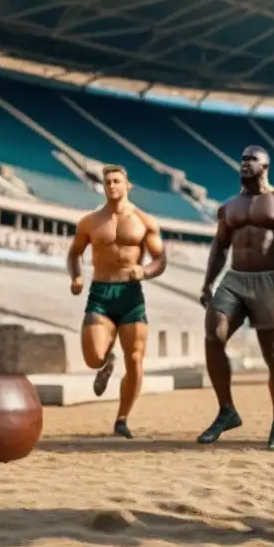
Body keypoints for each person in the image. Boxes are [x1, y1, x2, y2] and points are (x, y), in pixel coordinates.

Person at [197, 145, 274, 450]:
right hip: (234, 280)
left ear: (266, 167)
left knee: (272, 356)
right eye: (242, 159)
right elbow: (220, 247)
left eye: (252, 160)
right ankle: (226, 411)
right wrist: (208, 284)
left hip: (267, 281)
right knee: (213, 334)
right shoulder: (230, 206)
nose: (245, 163)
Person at [68, 164, 167, 438]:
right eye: (107, 181)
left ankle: (122, 419)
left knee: (135, 360)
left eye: (116, 181)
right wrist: (76, 277)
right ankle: (106, 361)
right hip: (100, 294)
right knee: (92, 358)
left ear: (127, 185)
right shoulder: (90, 222)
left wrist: (144, 271)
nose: (111, 186)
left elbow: (161, 259)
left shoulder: (144, 222)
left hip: (131, 296)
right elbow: (74, 253)